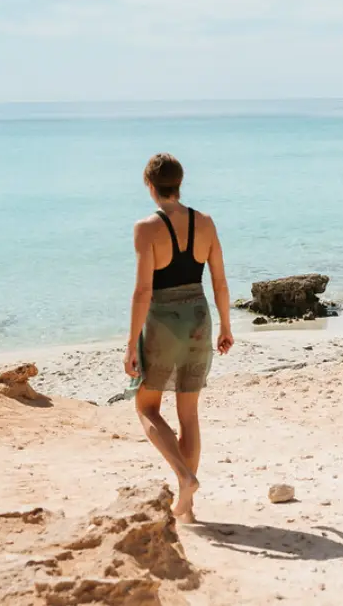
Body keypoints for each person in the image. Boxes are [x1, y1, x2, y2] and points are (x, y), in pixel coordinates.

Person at [124, 153, 234, 523]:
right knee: (188, 414)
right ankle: (187, 509)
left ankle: (185, 477)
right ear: (180, 183)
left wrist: (131, 344)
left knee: (146, 407)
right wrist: (226, 326)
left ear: (150, 185)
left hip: (164, 322)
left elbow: (143, 291)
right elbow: (219, 281)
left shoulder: (146, 228)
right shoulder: (206, 223)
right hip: (200, 318)